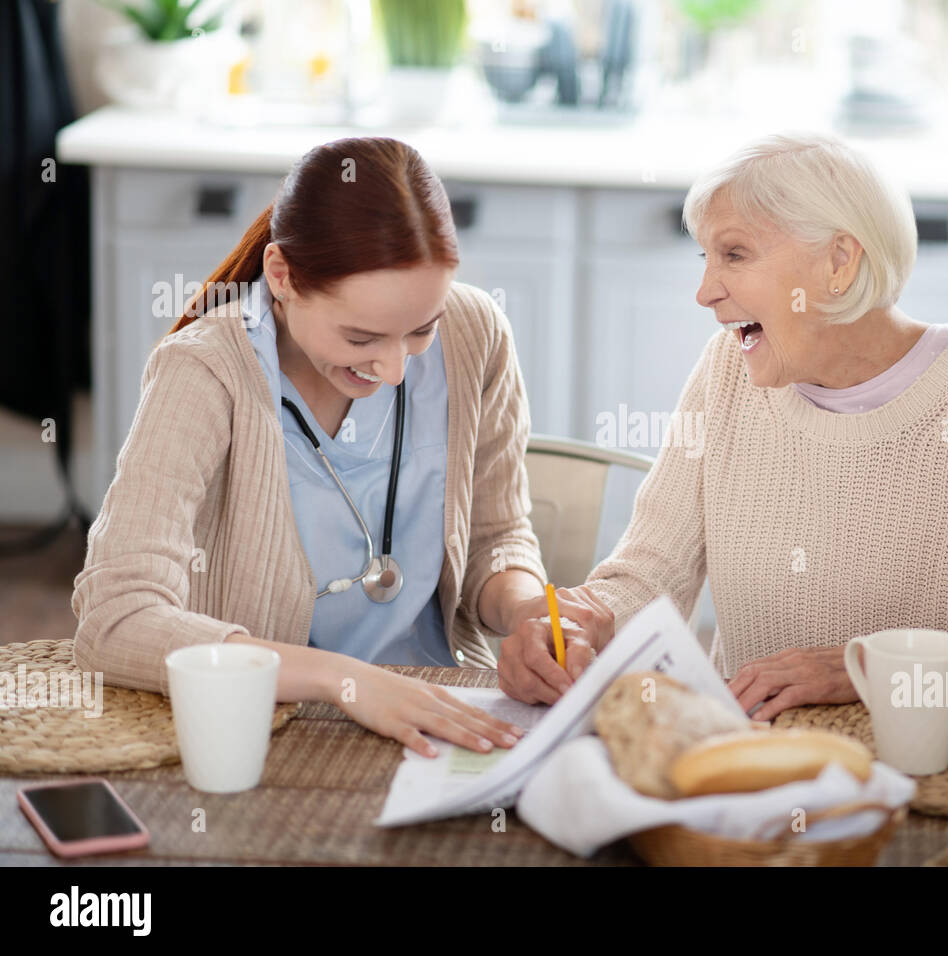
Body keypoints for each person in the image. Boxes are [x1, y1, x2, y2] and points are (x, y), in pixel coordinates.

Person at [496, 131, 948, 719]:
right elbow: (648, 574)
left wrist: (873, 666)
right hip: (760, 768)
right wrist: (577, 627)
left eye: (733, 254)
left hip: (947, 777)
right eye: (705, 257)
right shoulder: (725, 373)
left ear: (838, 263)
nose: (705, 291)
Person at [72, 137, 604, 757]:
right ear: (282, 277)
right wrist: (342, 681)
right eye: (361, 338)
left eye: (420, 330)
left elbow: (497, 537)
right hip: (277, 728)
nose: (395, 370)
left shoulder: (475, 334)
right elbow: (115, 620)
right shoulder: (204, 373)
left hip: (448, 704)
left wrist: (526, 613)